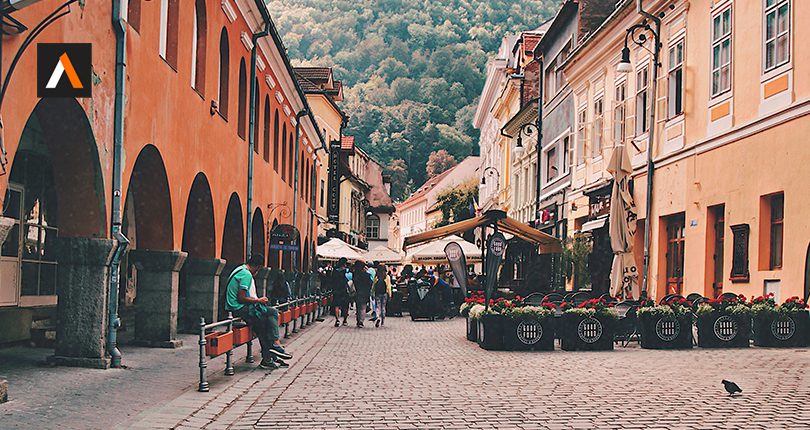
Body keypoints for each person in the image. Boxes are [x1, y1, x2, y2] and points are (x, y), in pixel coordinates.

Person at [225, 254, 292, 370]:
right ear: (257, 267)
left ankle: (272, 352)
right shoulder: (246, 274)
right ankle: (272, 351)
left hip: (237, 306)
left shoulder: (240, 269)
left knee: (271, 313)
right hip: (238, 307)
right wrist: (258, 300)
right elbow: (241, 298)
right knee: (265, 323)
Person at [331, 257, 351, 327]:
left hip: (336, 290)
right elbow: (350, 280)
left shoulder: (335, 271)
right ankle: (345, 320)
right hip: (344, 290)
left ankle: (337, 320)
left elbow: (332, 280)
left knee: (336, 305)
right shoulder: (347, 271)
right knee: (345, 306)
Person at [352, 260, 373, 328]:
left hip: (357, 292)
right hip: (365, 292)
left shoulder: (355, 274)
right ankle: (361, 321)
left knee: (358, 307)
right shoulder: (366, 275)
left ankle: (358, 320)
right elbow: (370, 283)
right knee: (363, 307)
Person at [372, 263, 392, 327]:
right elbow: (389, 287)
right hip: (384, 293)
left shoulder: (376, 276)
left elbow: (373, 286)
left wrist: (372, 293)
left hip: (377, 293)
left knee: (378, 306)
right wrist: (390, 294)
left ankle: (378, 317)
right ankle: (383, 322)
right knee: (383, 307)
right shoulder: (387, 277)